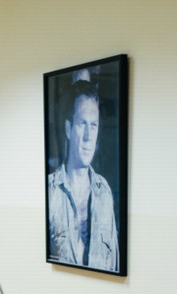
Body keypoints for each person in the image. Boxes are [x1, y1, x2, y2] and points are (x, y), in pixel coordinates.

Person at [47, 79, 119, 272]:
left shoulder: (104, 192)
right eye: (82, 124)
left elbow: (115, 260)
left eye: (93, 125)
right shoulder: (50, 192)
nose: (88, 136)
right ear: (68, 129)